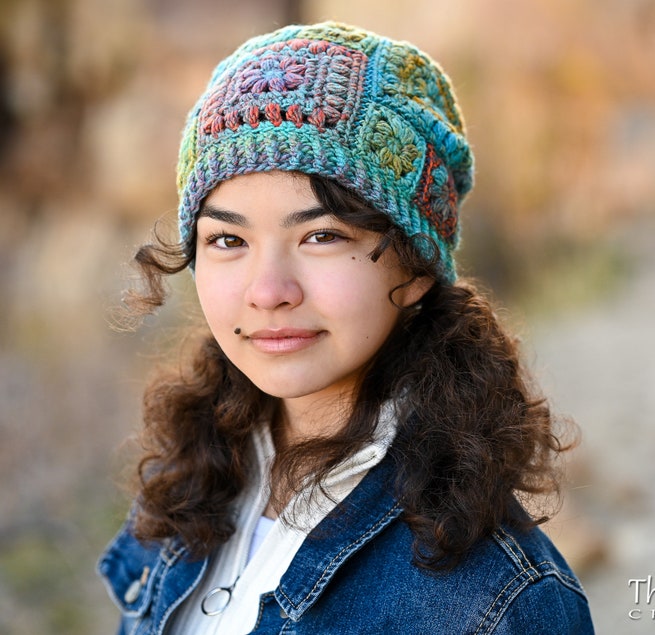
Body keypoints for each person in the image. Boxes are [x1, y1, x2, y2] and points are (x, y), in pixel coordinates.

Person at [97, 21, 595, 634]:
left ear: (414, 267)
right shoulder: (187, 492)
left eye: (322, 236)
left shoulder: (499, 601)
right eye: (228, 239)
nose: (268, 292)